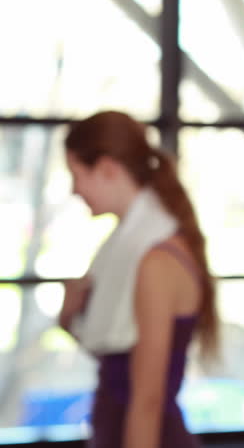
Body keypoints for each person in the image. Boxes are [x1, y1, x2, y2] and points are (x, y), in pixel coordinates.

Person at [59, 111, 219, 448]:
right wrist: (68, 314)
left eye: (76, 175)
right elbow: (113, 353)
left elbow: (147, 401)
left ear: (107, 169)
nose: (74, 190)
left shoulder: (155, 262)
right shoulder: (121, 249)